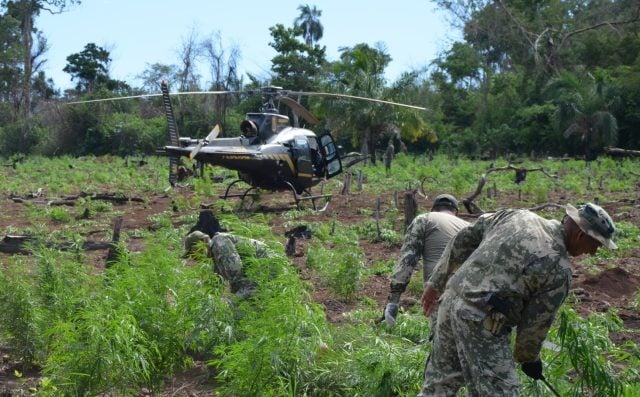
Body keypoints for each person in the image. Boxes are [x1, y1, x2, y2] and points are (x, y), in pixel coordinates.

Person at [419, 202, 617, 396]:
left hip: (450, 301)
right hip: (480, 320)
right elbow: (533, 328)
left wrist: (435, 283)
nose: (593, 252)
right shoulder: (558, 269)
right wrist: (529, 360)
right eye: (595, 245)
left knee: (438, 386)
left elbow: (462, 239)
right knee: (502, 391)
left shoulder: (517, 216)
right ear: (580, 235)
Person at [382, 194, 469, 326]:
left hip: (438, 290)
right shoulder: (468, 226)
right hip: (470, 292)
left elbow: (408, 259)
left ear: (433, 209)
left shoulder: (425, 219)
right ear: (456, 212)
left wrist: (394, 299)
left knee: (441, 338)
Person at [184, 230, 272, 298]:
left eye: (192, 251)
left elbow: (236, 272)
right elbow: (216, 285)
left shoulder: (219, 242)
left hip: (271, 265)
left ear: (202, 242)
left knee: (238, 307)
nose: (192, 257)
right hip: (261, 273)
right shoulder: (214, 258)